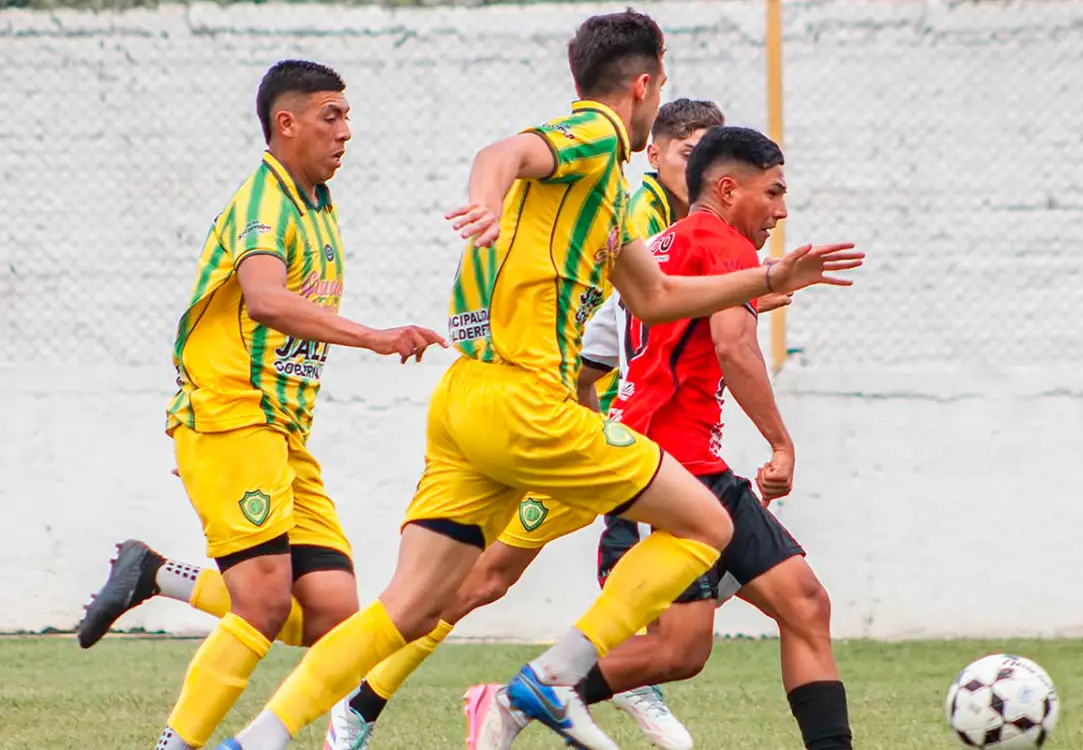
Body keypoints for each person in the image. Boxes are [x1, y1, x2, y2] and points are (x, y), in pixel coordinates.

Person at [214, 10, 861, 750]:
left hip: (465, 401)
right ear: (644, 83)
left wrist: (772, 274)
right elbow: (505, 151)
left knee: (408, 608)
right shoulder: (592, 135)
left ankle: (258, 740)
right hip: (527, 400)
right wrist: (486, 199)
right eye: (664, 84)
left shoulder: (610, 195)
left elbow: (653, 299)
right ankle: (552, 682)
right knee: (708, 524)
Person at [321, 95, 738, 750]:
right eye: (689, 153)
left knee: (688, 551)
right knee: (482, 575)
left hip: (615, 426)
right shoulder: (636, 213)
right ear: (652, 152)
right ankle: (362, 701)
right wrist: (585, 411)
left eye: (711, 154)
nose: (703, 168)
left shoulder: (676, 221)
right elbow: (609, 324)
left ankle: (608, 668)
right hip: (558, 420)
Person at [73, 59, 445, 750]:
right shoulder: (265, 200)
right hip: (230, 416)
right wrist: (375, 337)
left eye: (347, 116)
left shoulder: (314, 204)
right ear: (287, 122)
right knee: (266, 602)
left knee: (334, 615)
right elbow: (267, 299)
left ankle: (155, 574)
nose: (346, 132)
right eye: (332, 116)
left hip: (280, 435)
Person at [465, 125, 855, 750]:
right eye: (774, 193)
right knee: (729, 630)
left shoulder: (664, 243)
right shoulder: (723, 243)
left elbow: (629, 350)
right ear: (728, 190)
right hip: (669, 472)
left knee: (750, 624)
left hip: (682, 462)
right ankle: (521, 694)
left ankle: (521, 697)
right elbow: (733, 345)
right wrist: (781, 444)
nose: (782, 211)